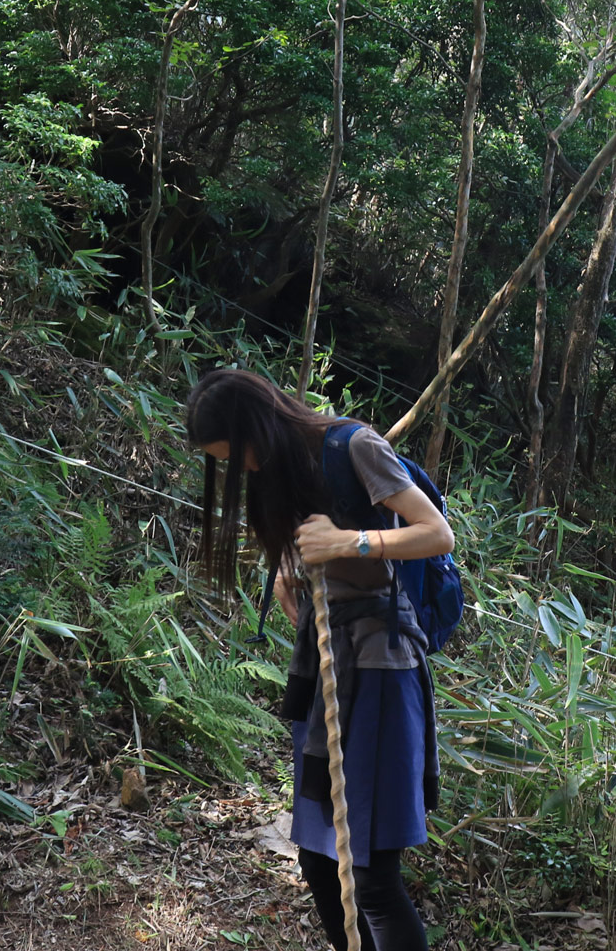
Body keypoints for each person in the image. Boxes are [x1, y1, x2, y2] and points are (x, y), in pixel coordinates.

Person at [185, 368, 453, 951]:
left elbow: (437, 533)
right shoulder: (281, 471)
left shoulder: (355, 446)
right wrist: (296, 585)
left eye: (236, 456)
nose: (241, 471)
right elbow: (316, 574)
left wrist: (351, 540)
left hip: (383, 672)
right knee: (317, 861)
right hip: (330, 668)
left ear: (255, 428)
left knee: (369, 876)